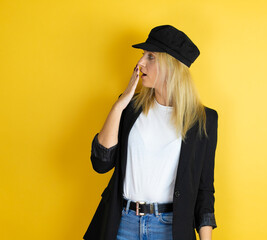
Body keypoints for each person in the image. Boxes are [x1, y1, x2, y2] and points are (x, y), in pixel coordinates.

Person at [83, 25, 218, 240]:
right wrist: (119, 105)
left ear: (171, 66)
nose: (140, 63)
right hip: (121, 224)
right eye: (142, 55)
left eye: (151, 57)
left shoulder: (203, 120)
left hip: (168, 228)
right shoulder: (130, 108)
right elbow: (100, 164)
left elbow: (204, 190)